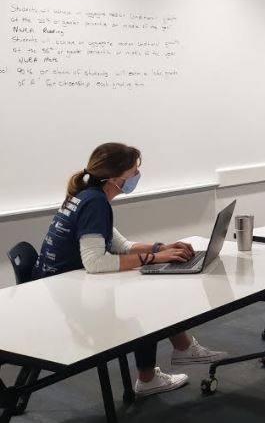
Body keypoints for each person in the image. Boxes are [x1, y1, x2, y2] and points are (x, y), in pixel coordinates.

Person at [33, 142, 226, 396]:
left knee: (147, 290)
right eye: (134, 171)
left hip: (62, 287)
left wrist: (161, 248)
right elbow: (95, 262)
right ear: (115, 178)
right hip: (69, 299)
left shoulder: (88, 195)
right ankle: (154, 374)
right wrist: (153, 258)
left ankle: (182, 350)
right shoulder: (95, 203)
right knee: (146, 300)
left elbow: (121, 246)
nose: (137, 175)